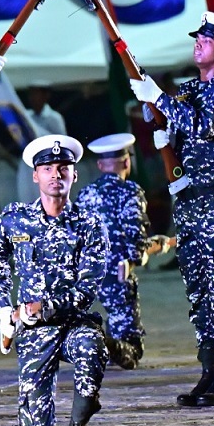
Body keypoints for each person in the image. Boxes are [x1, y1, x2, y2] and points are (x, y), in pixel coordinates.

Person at [128, 11, 214, 407]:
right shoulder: (190, 90)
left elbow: (203, 126)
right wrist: (152, 101)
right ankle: (209, 371)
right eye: (197, 37)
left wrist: (158, 98)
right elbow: (169, 108)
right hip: (189, 202)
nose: (198, 42)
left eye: (208, 39)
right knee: (198, 291)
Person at [0, 134, 109, 426]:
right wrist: (4, 312)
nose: (56, 174)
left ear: (74, 174)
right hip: (35, 330)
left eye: (63, 168)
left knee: (91, 344)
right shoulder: (15, 219)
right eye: (49, 168)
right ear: (36, 175)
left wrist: (41, 307)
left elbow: (87, 288)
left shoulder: (89, 224)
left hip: (73, 323)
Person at [76, 133, 167, 370]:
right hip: (118, 275)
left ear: (100, 165)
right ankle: (100, 343)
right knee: (132, 349)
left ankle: (97, 345)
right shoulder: (130, 192)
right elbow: (135, 232)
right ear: (127, 162)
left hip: (89, 274)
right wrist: (142, 253)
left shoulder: (85, 194)